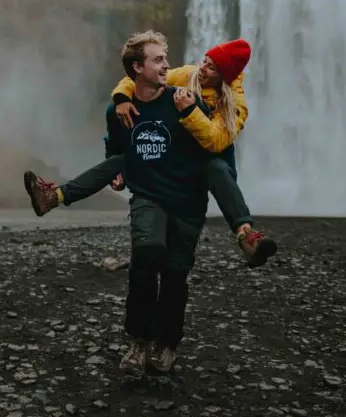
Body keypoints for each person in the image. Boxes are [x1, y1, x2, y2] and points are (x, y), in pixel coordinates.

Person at [23, 38, 276, 268]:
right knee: (121, 160)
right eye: (204, 61)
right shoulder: (189, 75)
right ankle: (53, 197)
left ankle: (245, 234)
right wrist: (122, 97)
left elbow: (216, 141)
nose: (202, 68)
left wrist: (190, 112)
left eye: (211, 68)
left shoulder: (235, 104)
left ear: (224, 76)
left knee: (217, 167)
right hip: (172, 156)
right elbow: (142, 76)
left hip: (205, 167)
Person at [97, 30, 216, 376]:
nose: (167, 65)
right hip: (148, 195)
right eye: (158, 59)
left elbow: (213, 141)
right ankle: (138, 341)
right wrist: (116, 171)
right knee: (146, 253)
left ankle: (168, 342)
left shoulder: (183, 99)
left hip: (186, 201)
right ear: (137, 66)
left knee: (177, 273)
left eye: (166, 58)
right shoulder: (118, 110)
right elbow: (115, 146)